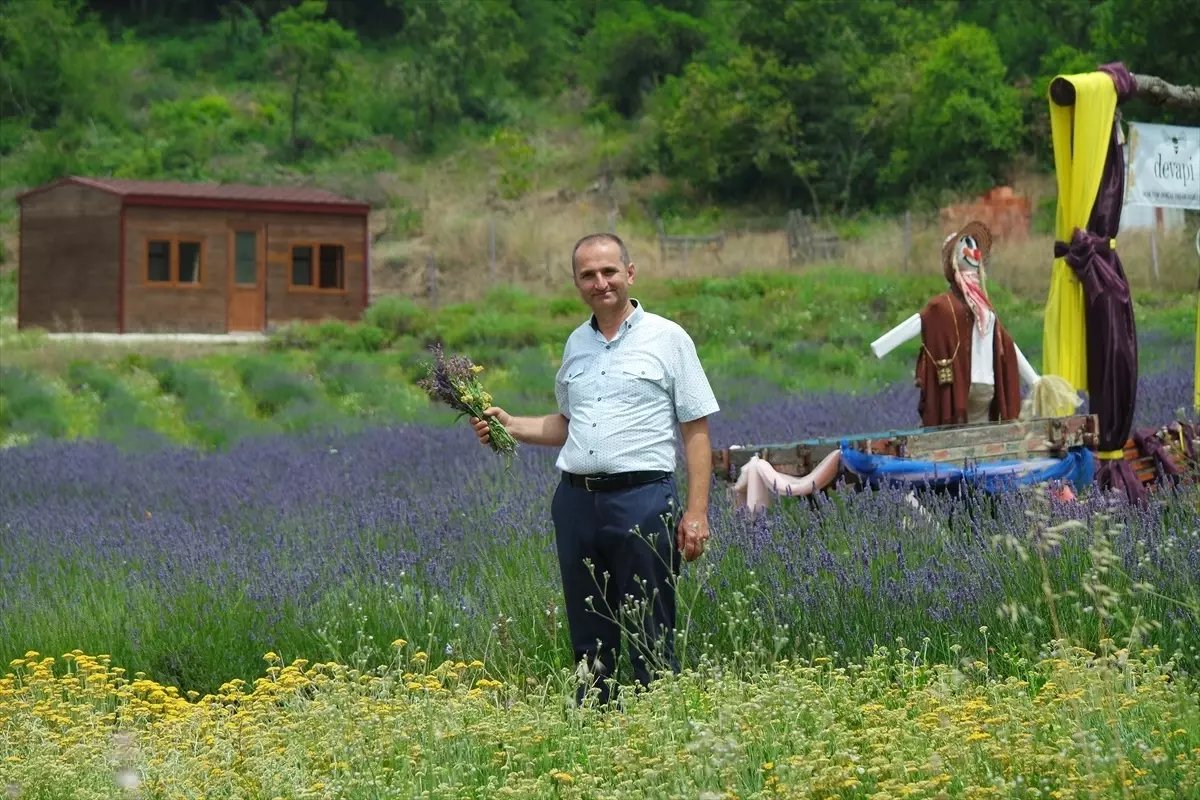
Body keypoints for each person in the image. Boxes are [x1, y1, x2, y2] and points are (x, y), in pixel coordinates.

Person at [470, 232, 720, 706]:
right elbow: (568, 424)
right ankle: (594, 728)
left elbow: (697, 429)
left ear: (630, 273)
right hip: (576, 504)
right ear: (577, 283)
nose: (600, 282)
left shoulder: (668, 338)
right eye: (588, 275)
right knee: (589, 633)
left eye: (608, 271)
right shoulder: (575, 345)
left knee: (651, 628)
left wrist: (696, 512)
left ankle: (655, 726)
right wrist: (510, 424)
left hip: (643, 501)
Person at [869, 220, 1070, 427]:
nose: (973, 251)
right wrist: (882, 346)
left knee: (972, 438)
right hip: (961, 388)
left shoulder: (984, 308)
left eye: (974, 246)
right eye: (966, 245)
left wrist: (1035, 380)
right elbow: (917, 323)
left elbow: (1006, 345)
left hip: (985, 389)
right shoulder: (942, 306)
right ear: (952, 260)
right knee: (962, 438)